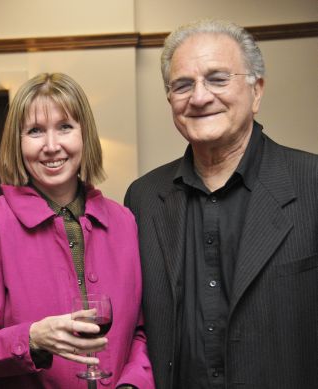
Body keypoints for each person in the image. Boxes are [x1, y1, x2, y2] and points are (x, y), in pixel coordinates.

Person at [124, 19, 318, 388]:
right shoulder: (144, 198)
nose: (199, 97)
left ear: (256, 90)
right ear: (170, 100)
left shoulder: (312, 183)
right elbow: (136, 329)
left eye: (217, 79)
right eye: (183, 85)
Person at [0, 73, 154, 389]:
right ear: (16, 143)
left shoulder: (124, 222)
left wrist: (133, 384)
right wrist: (32, 338)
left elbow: (140, 332)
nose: (51, 146)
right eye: (35, 131)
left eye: (65, 127)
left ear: (84, 134)